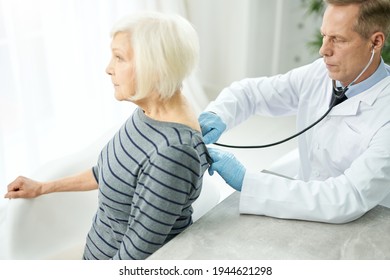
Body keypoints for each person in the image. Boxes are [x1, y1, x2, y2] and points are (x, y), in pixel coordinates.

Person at [5, 12, 210, 260]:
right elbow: (107, 171)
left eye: (119, 58)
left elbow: (133, 258)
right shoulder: (148, 112)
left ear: (154, 68)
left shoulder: (174, 153)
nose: (108, 69)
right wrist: (42, 187)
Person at [199, 0, 390, 224]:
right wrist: (217, 115)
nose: (323, 50)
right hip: (304, 203)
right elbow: (252, 93)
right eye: (324, 36)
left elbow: (347, 197)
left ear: (375, 42)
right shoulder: (320, 73)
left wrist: (247, 182)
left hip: (367, 224)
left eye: (337, 39)